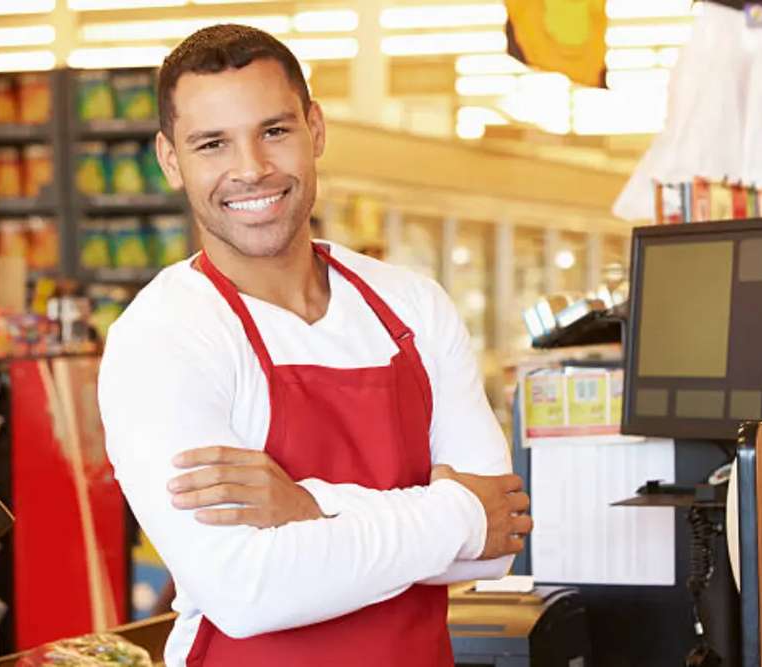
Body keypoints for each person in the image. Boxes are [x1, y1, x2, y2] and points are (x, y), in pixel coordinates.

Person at [98, 24, 532, 667]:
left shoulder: (411, 306)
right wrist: (458, 516)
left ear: (315, 130)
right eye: (212, 143)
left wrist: (311, 506)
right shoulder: (164, 336)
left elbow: (500, 543)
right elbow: (248, 591)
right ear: (170, 160)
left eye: (274, 132)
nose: (251, 169)